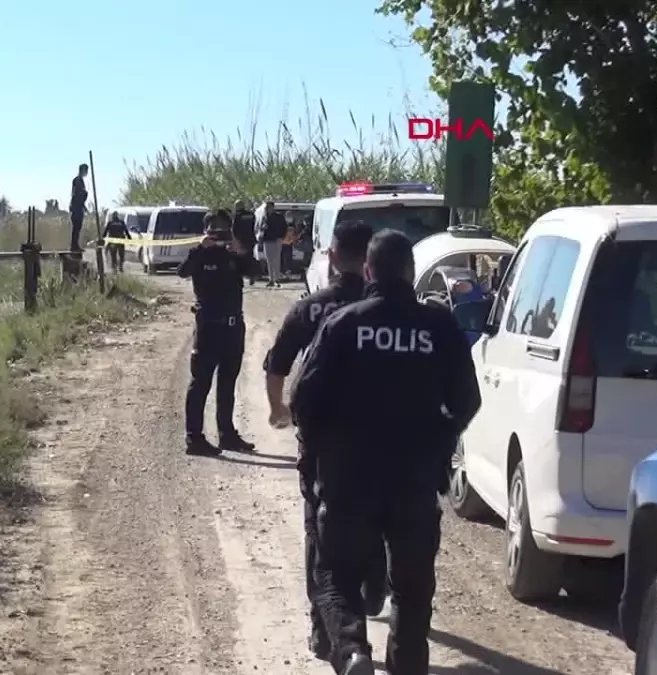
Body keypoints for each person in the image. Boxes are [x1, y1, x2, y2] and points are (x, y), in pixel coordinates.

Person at [291, 230, 482, 675]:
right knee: (413, 589)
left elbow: (304, 399)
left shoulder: (343, 324)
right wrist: (441, 437)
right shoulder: (439, 327)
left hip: (348, 478)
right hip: (414, 479)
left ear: (369, 270)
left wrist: (317, 453)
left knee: (336, 578)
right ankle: (407, 664)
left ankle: (354, 652)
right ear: (411, 274)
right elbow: (467, 400)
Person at [263, 220, 386, 663]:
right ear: (370, 260)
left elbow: (276, 365)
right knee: (375, 511)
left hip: (322, 439)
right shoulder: (382, 308)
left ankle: (324, 630)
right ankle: (374, 578)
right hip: (380, 437)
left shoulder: (311, 308)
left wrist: (278, 411)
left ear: (332, 256)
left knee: (319, 529)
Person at [177, 209, 261, 456]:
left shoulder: (232, 254)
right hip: (208, 329)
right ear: (205, 231)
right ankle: (194, 438)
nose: (218, 234)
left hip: (233, 328)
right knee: (200, 384)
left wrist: (240, 249)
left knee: (228, 383)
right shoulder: (200, 255)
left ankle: (227, 435)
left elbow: (255, 271)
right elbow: (182, 271)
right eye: (213, 229)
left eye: (223, 229)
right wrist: (199, 249)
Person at [259, 200, 289, 287]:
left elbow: (284, 227)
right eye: (266, 207)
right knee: (269, 260)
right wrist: (263, 229)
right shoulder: (265, 217)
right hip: (267, 240)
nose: (267, 209)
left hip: (276, 240)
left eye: (269, 207)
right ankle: (271, 279)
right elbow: (260, 227)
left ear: (273, 207)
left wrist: (281, 237)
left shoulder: (278, 216)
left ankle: (277, 279)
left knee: (276, 260)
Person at [232, 200, 259, 286]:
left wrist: (235, 240)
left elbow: (234, 229)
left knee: (240, 259)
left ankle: (240, 278)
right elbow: (255, 226)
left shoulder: (237, 216)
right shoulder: (251, 214)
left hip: (241, 240)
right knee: (250, 258)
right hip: (251, 240)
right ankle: (252, 275)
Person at [70, 164, 89, 252]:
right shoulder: (78, 180)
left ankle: (75, 245)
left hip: (78, 206)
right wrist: (85, 194)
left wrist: (84, 207)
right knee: (76, 227)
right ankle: (74, 246)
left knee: (77, 228)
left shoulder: (80, 180)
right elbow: (76, 194)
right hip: (76, 207)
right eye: (86, 170)